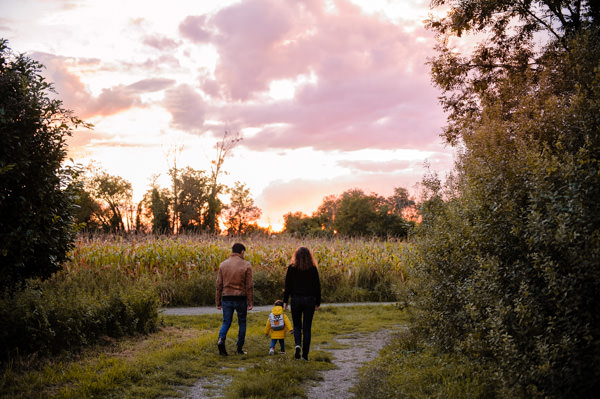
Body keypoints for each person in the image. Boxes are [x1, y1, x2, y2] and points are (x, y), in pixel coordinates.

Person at [283, 246, 321, 360]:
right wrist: (318, 301)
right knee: (307, 328)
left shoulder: (291, 268)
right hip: (309, 300)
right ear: (309, 256)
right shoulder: (313, 269)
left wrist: (285, 301)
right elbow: (317, 286)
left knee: (297, 326)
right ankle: (305, 356)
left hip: (296, 300)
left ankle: (298, 345)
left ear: (296, 256)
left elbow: (287, 286)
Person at [215, 242, 253, 356]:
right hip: (241, 298)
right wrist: (250, 302)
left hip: (226, 297)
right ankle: (239, 348)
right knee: (242, 322)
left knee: (226, 322)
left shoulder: (223, 265)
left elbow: (219, 285)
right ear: (242, 252)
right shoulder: (246, 265)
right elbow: (249, 286)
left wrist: (218, 302)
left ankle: (221, 339)